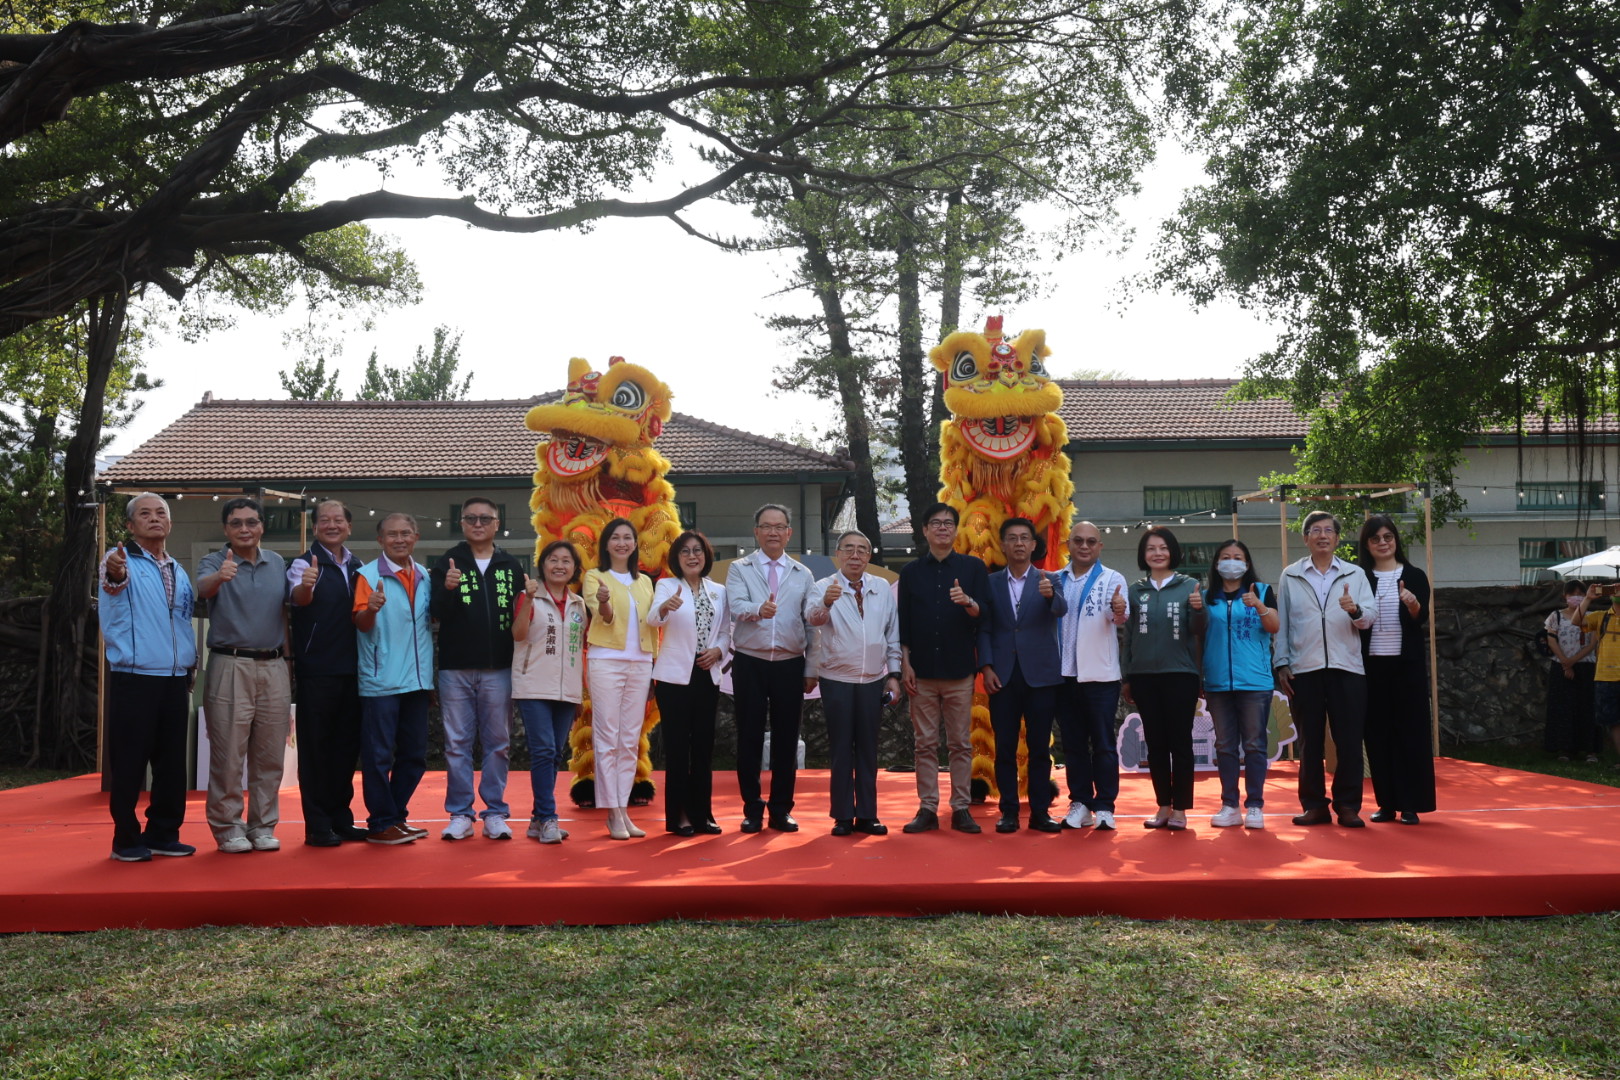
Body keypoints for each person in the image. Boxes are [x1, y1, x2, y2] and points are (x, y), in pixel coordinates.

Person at [99, 493, 199, 862]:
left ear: (170, 524)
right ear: (129, 525)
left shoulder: (178, 569)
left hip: (174, 678)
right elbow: (113, 581)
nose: (154, 518)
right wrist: (115, 570)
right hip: (135, 676)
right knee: (129, 763)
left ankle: (163, 833)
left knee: (172, 764)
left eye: (161, 513)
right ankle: (126, 840)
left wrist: (189, 665)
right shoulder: (120, 559)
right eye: (145, 513)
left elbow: (182, 623)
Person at [195, 497, 292, 853]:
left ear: (262, 526)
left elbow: (284, 611)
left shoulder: (278, 563)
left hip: (274, 664)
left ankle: (263, 826)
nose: (244, 529)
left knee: (270, 755)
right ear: (226, 529)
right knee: (228, 753)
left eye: (251, 522)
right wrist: (220, 578)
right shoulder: (214, 560)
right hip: (229, 663)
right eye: (236, 523)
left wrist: (289, 660)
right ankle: (228, 828)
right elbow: (202, 588)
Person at [430, 497, 527, 841]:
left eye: (485, 518)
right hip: (455, 667)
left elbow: (522, 618)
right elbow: (435, 612)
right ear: (462, 524)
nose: (478, 523)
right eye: (471, 518)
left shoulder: (510, 566)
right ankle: (460, 813)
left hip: (499, 668)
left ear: (497, 523)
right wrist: (448, 588)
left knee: (498, 743)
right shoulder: (448, 562)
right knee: (457, 744)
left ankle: (496, 811)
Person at [1274, 510, 1377, 828]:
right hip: (1304, 669)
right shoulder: (1290, 575)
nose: (1322, 535)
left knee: (1348, 740)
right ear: (1305, 538)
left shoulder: (1354, 575)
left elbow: (1369, 618)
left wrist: (1354, 610)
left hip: (1347, 668)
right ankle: (1314, 805)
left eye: (1328, 530)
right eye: (1315, 530)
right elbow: (1283, 623)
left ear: (1336, 538)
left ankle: (1348, 805)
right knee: (1309, 740)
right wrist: (1281, 663)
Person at [897, 502, 991, 834]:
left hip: (959, 669)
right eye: (935, 523)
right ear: (924, 530)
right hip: (920, 671)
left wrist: (968, 603)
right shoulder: (910, 572)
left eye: (948, 523)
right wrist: (904, 663)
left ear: (956, 530)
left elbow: (985, 614)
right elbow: (903, 624)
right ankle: (927, 808)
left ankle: (961, 807)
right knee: (923, 743)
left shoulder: (973, 569)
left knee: (960, 743)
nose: (942, 528)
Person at [726, 503, 818, 833]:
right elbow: (735, 607)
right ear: (756, 532)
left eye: (780, 527)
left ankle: (781, 808)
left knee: (786, 739)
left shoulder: (802, 574)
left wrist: (811, 668)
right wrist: (757, 610)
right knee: (749, 736)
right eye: (766, 526)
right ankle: (752, 808)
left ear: (789, 533)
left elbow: (810, 625)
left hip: (790, 664)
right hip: (750, 661)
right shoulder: (741, 568)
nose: (773, 532)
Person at [805, 530, 900, 837]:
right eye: (849, 550)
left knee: (869, 750)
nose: (856, 555)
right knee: (842, 749)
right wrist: (826, 603)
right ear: (838, 554)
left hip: (873, 679)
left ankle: (868, 814)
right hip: (837, 679)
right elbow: (813, 619)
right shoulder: (823, 586)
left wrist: (894, 674)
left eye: (862, 550)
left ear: (869, 556)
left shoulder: (881, 587)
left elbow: (892, 634)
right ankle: (843, 815)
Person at [977, 517, 1067, 833]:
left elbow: (1061, 610)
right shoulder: (990, 583)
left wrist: (1050, 596)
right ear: (1003, 545)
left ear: (1033, 545)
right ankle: (1009, 812)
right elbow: (984, 628)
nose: (1018, 543)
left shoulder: (1049, 579)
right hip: (1002, 675)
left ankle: (1040, 812)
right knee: (1005, 748)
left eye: (1024, 538)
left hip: (1041, 675)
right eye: (1012, 538)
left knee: (1040, 748)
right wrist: (986, 667)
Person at [287, 499, 368, 847]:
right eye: (325, 520)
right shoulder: (303, 563)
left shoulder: (359, 566)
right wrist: (308, 584)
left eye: (339, 520)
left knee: (345, 751)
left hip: (355, 671)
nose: (332, 525)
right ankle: (317, 825)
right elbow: (297, 599)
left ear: (349, 527)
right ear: (315, 527)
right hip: (316, 671)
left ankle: (341, 818)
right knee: (316, 752)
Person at [352, 512, 435, 845]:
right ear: (379, 540)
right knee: (378, 756)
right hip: (381, 681)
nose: (399, 539)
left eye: (405, 533)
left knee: (415, 754)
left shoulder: (426, 576)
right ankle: (381, 822)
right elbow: (361, 624)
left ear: (416, 536)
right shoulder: (368, 576)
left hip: (417, 681)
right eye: (391, 535)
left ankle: (395, 817)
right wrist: (371, 608)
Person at [1122, 526, 1207, 830]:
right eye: (1151, 549)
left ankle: (1181, 810)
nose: (1157, 553)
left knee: (1180, 742)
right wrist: (1127, 676)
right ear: (1143, 555)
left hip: (1181, 675)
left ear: (1173, 552)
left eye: (1163, 548)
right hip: (1144, 677)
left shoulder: (1190, 587)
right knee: (1155, 744)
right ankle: (1163, 806)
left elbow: (1200, 631)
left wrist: (1199, 611)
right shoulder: (1135, 590)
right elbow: (1128, 636)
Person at [649, 531, 730, 836]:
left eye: (697, 551)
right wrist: (665, 608)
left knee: (703, 748)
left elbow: (725, 630)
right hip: (674, 678)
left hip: (707, 674)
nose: (692, 556)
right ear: (676, 558)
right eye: (685, 552)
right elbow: (653, 619)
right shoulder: (666, 585)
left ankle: (703, 814)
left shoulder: (718, 590)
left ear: (706, 556)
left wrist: (719, 650)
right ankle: (679, 816)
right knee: (678, 748)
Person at [1357, 515, 1437, 824]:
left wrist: (1413, 604)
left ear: (1396, 540)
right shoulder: (1360, 576)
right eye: (1375, 538)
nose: (1382, 543)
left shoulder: (1415, 575)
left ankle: (1410, 804)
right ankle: (1386, 803)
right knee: (1377, 735)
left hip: (1407, 666)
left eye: (1388, 537)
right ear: (1367, 544)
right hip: (1371, 666)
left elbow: (1420, 619)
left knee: (1411, 734)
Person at [583, 517, 659, 841]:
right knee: (607, 737)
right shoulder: (594, 577)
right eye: (615, 538)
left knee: (630, 739)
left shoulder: (645, 582)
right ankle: (613, 812)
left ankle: (623, 809)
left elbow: (653, 621)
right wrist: (603, 601)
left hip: (640, 662)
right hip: (605, 661)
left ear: (634, 544)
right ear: (606, 544)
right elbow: (605, 616)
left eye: (627, 538)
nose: (622, 543)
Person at [1054, 519, 1130, 830]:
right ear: (1068, 545)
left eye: (1090, 542)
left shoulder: (1113, 579)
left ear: (1099, 546)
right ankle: (1081, 801)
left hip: (1100, 676)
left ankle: (1106, 806)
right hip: (1062, 675)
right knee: (1072, 744)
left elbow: (1121, 618)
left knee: (1102, 743)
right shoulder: (1054, 580)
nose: (1084, 546)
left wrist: (1120, 608)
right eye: (1078, 541)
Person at [512, 539, 587, 845]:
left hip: (567, 690)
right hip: (533, 685)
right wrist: (528, 600)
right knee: (543, 751)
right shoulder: (527, 595)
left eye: (566, 560)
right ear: (542, 565)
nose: (559, 565)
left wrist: (580, 691)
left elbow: (579, 649)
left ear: (574, 569)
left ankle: (536, 820)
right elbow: (517, 634)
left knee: (554, 754)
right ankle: (548, 817)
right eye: (553, 560)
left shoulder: (580, 604)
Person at [1201, 538, 1279, 830]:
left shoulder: (1262, 591)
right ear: (1217, 563)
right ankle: (1229, 805)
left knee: (1255, 744)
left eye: (1238, 557)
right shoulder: (1207, 597)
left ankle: (1255, 806)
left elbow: (1274, 626)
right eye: (1225, 556)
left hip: (1255, 682)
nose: (1231, 562)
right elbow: (1199, 637)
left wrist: (1259, 605)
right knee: (1224, 746)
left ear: (1246, 564)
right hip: (1218, 682)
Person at [1543, 579, 1599, 762]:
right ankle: (1565, 749)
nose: (1576, 598)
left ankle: (1590, 749)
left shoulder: (1592, 616)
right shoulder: (1555, 617)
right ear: (1564, 597)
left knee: (1587, 706)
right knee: (1563, 708)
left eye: (1580, 594)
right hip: (1560, 666)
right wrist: (1565, 663)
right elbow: (1551, 640)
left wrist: (1573, 661)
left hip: (1586, 666)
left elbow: (1592, 644)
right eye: (1572, 594)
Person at [1575, 583, 1620, 766]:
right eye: (1614, 589)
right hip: (1605, 677)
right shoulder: (1601, 617)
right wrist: (1588, 598)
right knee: (1614, 722)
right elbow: (1576, 621)